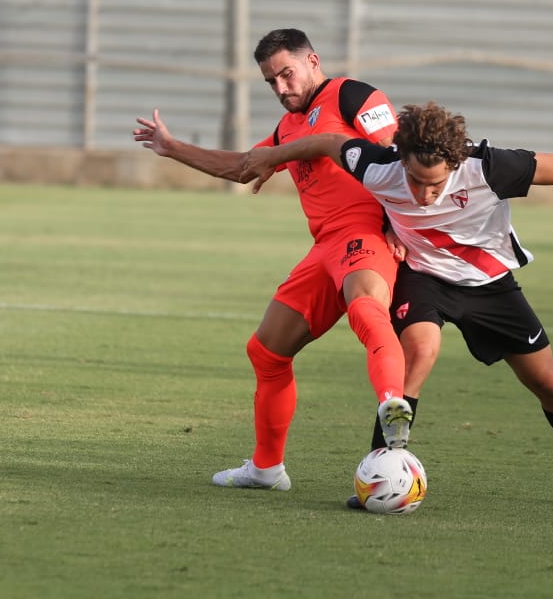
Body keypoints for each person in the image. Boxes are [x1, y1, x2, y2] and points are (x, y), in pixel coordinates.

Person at [242, 101, 553, 510]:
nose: (423, 194)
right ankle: (381, 472)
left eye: (434, 184)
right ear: (400, 159)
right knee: (420, 350)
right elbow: (327, 141)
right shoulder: (379, 165)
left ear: (455, 163)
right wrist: (270, 156)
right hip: (423, 278)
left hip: (489, 285)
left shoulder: (489, 167)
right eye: (414, 181)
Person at [133, 28, 412, 493]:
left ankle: (393, 407)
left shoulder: (352, 96)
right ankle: (267, 469)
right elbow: (245, 166)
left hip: (366, 234)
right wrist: (172, 147)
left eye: (287, 74)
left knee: (366, 308)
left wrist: (395, 225)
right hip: (323, 249)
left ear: (313, 61)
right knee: (266, 350)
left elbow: (401, 155)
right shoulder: (288, 129)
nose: (282, 88)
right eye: (271, 81)